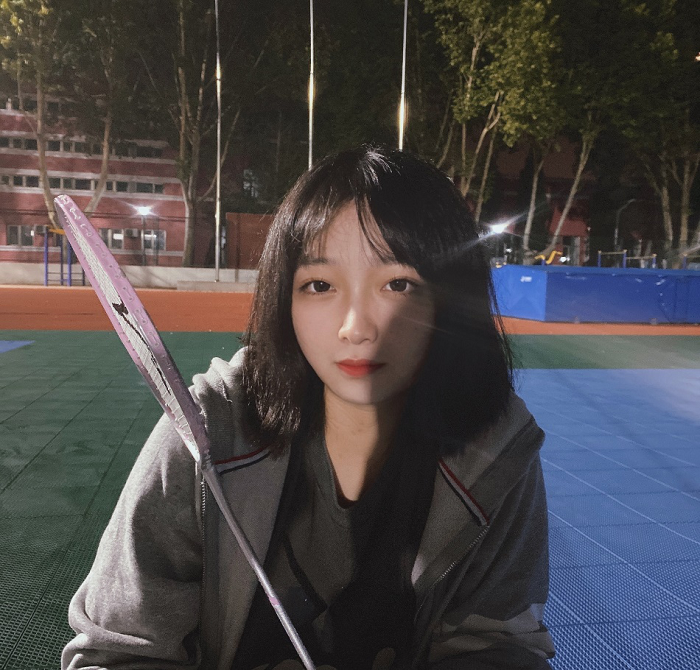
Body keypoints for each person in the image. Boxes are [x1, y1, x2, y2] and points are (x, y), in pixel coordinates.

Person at [62, 146, 555, 670]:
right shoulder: (205, 435)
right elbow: (117, 651)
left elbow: (496, 646)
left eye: (398, 284)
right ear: (285, 299)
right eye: (320, 285)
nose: (355, 327)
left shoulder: (495, 451)